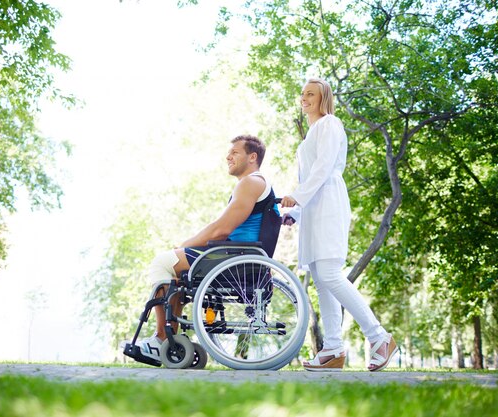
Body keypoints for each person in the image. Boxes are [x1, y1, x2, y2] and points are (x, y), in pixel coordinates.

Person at [280, 78, 398, 372]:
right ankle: (332, 348)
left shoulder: (330, 124)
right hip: (314, 206)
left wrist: (297, 196)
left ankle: (379, 337)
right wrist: (295, 212)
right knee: (321, 279)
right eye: (303, 93)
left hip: (329, 203)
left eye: (312, 94)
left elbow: (323, 168)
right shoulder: (308, 136)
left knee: (331, 273)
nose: (305, 98)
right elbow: (308, 177)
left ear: (323, 99)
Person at [132, 135, 278, 361]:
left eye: (235, 152)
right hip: (239, 257)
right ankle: (171, 341)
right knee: (176, 274)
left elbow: (221, 230)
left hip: (234, 258)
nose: (228, 156)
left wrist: (184, 245)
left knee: (163, 262)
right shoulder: (255, 185)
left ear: (252, 157)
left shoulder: (251, 183)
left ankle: (161, 339)